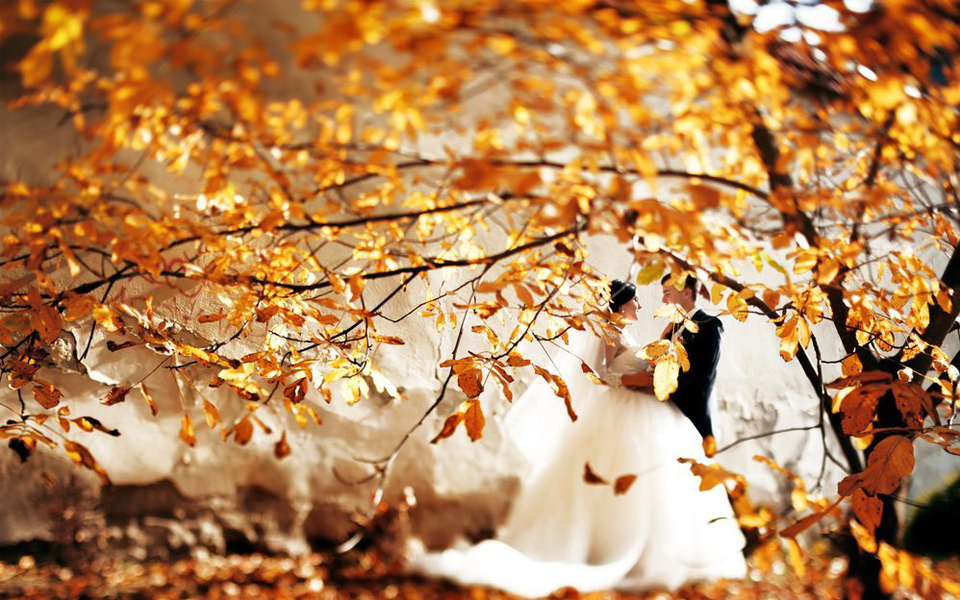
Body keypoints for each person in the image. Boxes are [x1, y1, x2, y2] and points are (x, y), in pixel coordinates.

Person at [407, 279, 747, 598]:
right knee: (619, 475)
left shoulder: (644, 331)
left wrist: (650, 379)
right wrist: (643, 380)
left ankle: (656, 547)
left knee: (653, 477)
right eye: (636, 302)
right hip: (624, 409)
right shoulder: (611, 332)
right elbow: (607, 373)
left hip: (642, 411)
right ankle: (613, 546)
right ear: (621, 305)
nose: (642, 306)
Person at [659, 273, 724, 457]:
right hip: (665, 415)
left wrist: (661, 390)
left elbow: (702, 379)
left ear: (686, 293)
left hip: (691, 418)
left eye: (667, 293)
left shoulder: (711, 325)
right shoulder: (672, 327)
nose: (663, 300)